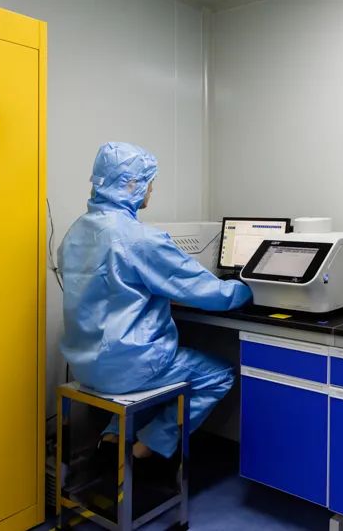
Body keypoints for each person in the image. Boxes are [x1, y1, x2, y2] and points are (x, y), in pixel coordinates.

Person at [59, 141, 252, 461]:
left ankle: (113, 437)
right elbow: (207, 292)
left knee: (154, 376)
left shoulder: (77, 231)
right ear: (130, 184)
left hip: (85, 365)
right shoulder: (139, 238)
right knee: (218, 374)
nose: (151, 190)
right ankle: (147, 447)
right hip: (130, 365)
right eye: (149, 182)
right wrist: (248, 290)